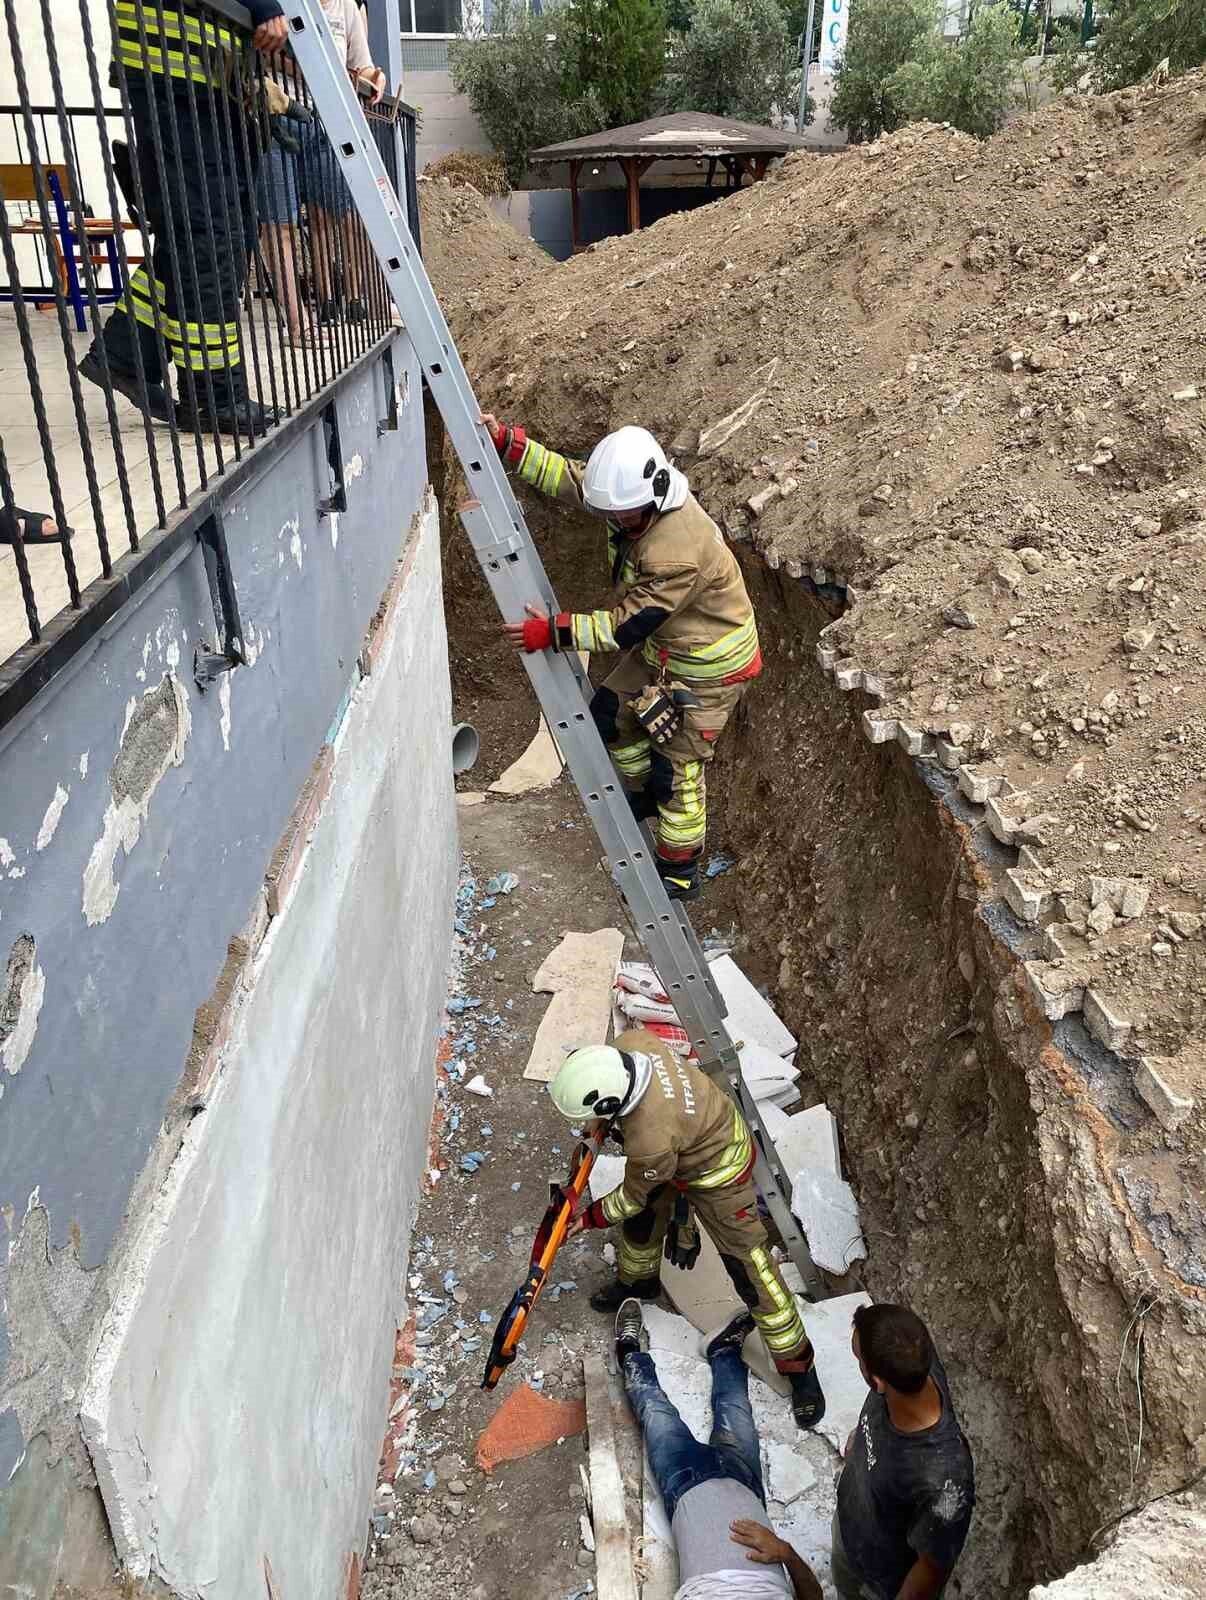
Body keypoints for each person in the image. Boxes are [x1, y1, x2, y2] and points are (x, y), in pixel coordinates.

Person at [484, 410, 760, 902]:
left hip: (709, 668)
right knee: (608, 716)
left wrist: (555, 631)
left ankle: (679, 870)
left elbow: (626, 625)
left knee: (677, 770)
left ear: (656, 496)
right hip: (666, 649)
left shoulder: (678, 551)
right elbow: (572, 479)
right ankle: (643, 796)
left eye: (624, 516)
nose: (615, 521)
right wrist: (511, 444)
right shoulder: (630, 498)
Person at [552, 1030, 825, 1431]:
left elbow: (632, 1196)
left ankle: (799, 1367)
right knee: (644, 1224)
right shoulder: (634, 1043)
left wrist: (588, 1218)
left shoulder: (651, 1139)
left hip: (719, 1171)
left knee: (752, 1272)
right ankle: (638, 1283)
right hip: (685, 1141)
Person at [79, 0, 286, 435]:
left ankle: (126, 351)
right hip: (176, 73)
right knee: (209, 242)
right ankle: (214, 397)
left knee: (215, 237)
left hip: (203, 76)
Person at [615, 1298, 824, 1600]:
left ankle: (628, 1352)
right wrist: (787, 1553)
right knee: (734, 1403)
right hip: (744, 1480)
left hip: (684, 1485)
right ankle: (724, 1349)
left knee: (654, 1409)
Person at [256, 0, 385, 346]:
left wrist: (374, 79)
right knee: (280, 223)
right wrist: (315, 69)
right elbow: (261, 45)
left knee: (352, 214)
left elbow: (361, 65)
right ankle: (299, 325)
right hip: (275, 114)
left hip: (325, 121)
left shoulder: (346, 7)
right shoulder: (280, 3)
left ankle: (369, 303)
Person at [831, 1304, 975, 1600]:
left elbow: (931, 1570)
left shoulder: (944, 1483)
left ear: (877, 1382)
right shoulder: (910, 1363)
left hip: (878, 1579)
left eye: (858, 1360)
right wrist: (863, 1437)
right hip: (852, 1527)